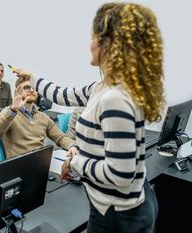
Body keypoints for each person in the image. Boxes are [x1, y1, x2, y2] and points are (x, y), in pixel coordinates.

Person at [14, 2, 163, 232]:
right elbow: (62, 94)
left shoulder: (115, 97)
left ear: (108, 44)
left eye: (93, 37)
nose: (90, 43)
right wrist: (31, 77)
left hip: (118, 215)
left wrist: (74, 162)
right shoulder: (102, 87)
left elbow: (120, 174)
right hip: (113, 206)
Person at [0, 78, 78, 159]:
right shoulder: (9, 113)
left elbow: (60, 137)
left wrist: (71, 146)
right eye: (27, 87)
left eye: (34, 87)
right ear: (18, 90)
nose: (31, 90)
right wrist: (13, 110)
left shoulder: (43, 116)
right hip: (19, 166)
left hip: (41, 163)